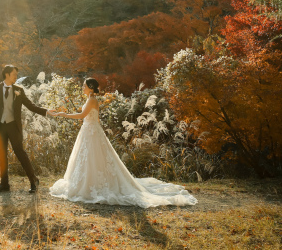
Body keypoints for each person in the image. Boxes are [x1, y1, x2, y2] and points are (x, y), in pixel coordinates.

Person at [49, 77, 197, 207]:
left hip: (91, 131)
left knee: (93, 158)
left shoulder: (92, 100)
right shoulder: (90, 99)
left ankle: (92, 185)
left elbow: (82, 115)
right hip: (90, 131)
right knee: (89, 158)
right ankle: (87, 183)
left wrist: (64, 114)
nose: (82, 87)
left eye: (84, 85)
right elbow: (94, 118)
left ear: (91, 87)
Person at [0, 64, 55, 193]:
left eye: (17, 75)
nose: (16, 77)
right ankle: (4, 184)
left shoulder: (19, 90)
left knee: (20, 153)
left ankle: (33, 180)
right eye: (14, 75)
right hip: (0, 126)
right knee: (2, 156)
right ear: (7, 75)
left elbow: (31, 106)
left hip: (13, 126)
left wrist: (47, 111)